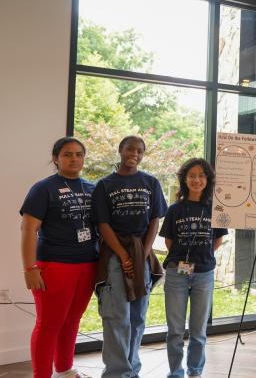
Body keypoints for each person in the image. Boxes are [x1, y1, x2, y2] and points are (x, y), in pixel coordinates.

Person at [19, 137, 97, 378]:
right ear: (56, 159)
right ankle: (41, 375)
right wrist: (29, 267)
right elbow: (28, 229)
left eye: (78, 154)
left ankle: (64, 370)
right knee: (49, 324)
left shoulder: (92, 188)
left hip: (87, 264)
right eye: (67, 154)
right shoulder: (43, 188)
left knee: (72, 320)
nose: (74, 158)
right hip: (55, 265)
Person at [92, 135, 167, 378]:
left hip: (141, 254)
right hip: (114, 254)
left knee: (137, 316)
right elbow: (103, 224)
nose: (134, 153)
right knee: (117, 317)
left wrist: (143, 255)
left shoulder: (151, 182)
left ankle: (132, 369)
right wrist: (123, 256)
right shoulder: (105, 185)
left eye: (139, 150)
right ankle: (116, 373)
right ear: (120, 150)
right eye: (129, 149)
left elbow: (154, 220)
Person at [160, 158, 227, 378]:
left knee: (198, 331)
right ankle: (176, 372)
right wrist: (183, 258)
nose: (196, 180)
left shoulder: (214, 209)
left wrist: (201, 257)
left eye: (201, 176)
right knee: (176, 330)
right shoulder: (175, 209)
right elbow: (169, 241)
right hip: (176, 274)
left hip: (204, 274)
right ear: (184, 179)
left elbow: (217, 240)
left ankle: (195, 371)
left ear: (207, 180)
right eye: (192, 176)